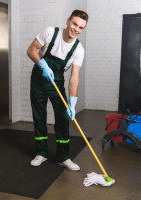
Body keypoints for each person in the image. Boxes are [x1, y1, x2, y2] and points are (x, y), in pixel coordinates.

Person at [27, 10, 88, 171]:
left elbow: (74, 77)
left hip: (57, 81)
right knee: (39, 116)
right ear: (68, 21)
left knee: (62, 119)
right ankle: (41, 153)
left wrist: (72, 103)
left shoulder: (78, 49)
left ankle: (63, 157)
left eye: (81, 27)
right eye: (74, 24)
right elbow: (31, 50)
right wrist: (43, 65)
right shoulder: (50, 32)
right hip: (39, 79)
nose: (76, 29)